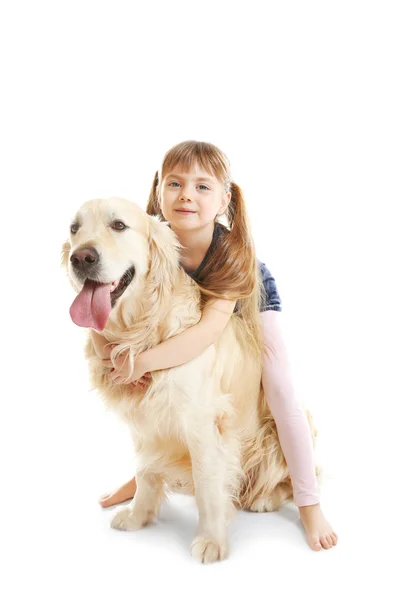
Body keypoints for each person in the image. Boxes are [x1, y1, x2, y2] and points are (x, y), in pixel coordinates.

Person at [92, 140, 338, 551]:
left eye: (202, 186)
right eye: (175, 183)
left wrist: (142, 362)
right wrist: (111, 355)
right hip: (186, 312)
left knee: (278, 387)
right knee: (160, 397)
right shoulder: (145, 237)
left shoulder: (231, 253)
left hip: (243, 302)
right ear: (158, 193)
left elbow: (206, 332)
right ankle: (149, 475)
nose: (186, 193)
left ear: (224, 199)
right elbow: (107, 304)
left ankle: (309, 500)